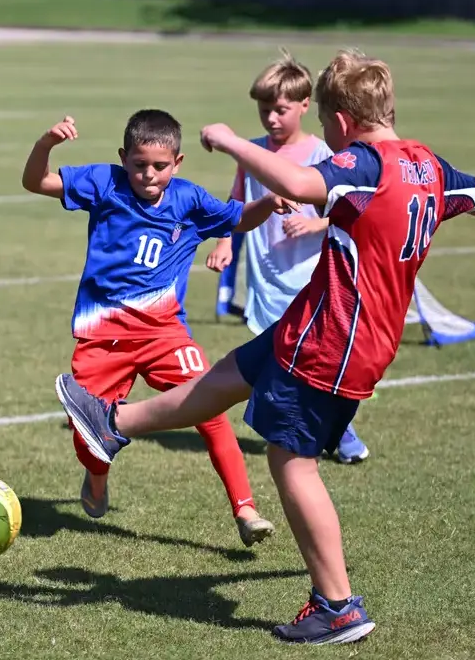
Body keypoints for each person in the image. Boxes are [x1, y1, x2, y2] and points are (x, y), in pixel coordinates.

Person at [55, 51, 475, 644]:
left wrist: (229, 141)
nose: (325, 137)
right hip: (324, 324)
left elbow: (300, 182)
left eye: (326, 124)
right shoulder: (426, 165)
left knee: (289, 460)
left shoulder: (363, 163)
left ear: (344, 122)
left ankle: (337, 604)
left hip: (335, 338)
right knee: (231, 372)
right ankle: (113, 422)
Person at [22, 109, 290, 546]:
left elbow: (238, 219)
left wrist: (268, 202)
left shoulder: (189, 200)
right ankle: (96, 477)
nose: (148, 175)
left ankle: (245, 510)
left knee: (210, 409)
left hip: (165, 334)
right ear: (123, 157)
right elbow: (36, 182)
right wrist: (46, 143)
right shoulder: (103, 183)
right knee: (88, 435)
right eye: (139, 164)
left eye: (160, 166)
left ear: (178, 163)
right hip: (102, 336)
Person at [206, 51, 368, 464]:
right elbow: (236, 201)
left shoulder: (322, 155)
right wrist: (225, 242)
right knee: (276, 353)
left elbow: (351, 208)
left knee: (308, 357)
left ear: (304, 106)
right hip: (266, 273)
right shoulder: (254, 153)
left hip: (309, 275)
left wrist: (316, 225)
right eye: (264, 111)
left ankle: (339, 429)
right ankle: (294, 429)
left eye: (280, 110)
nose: (271, 119)